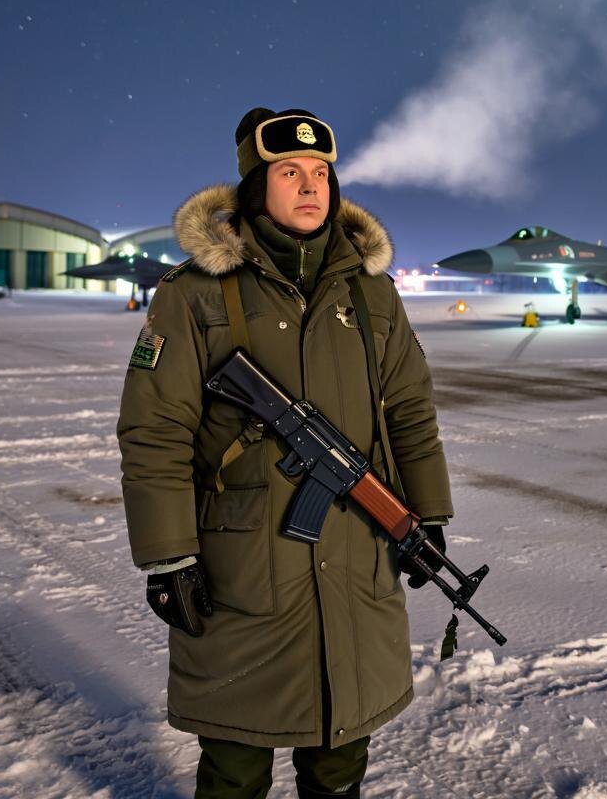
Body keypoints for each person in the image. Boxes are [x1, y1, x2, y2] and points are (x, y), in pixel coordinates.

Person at [118, 107, 454, 798]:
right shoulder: (194, 294)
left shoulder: (371, 296)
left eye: (321, 173)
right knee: (236, 766)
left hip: (357, 562)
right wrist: (168, 556)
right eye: (290, 172)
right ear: (252, 187)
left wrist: (425, 516)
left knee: (338, 760)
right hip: (243, 574)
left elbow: (412, 412)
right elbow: (155, 431)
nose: (310, 186)